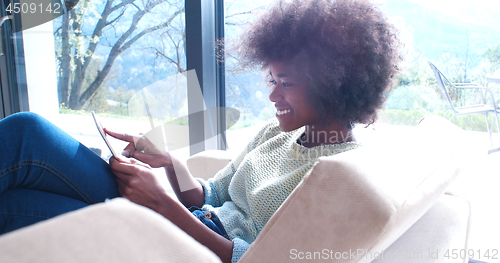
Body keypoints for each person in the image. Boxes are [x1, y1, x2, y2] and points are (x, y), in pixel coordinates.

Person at [0, 0, 401, 262]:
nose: (272, 95)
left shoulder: (338, 178)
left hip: (186, 247)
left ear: (335, 84)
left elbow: (253, 260)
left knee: (12, 207)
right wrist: (170, 163)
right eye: (272, 80)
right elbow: (214, 194)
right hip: (188, 218)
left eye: (287, 83)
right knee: (28, 132)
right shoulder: (275, 133)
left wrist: (163, 205)